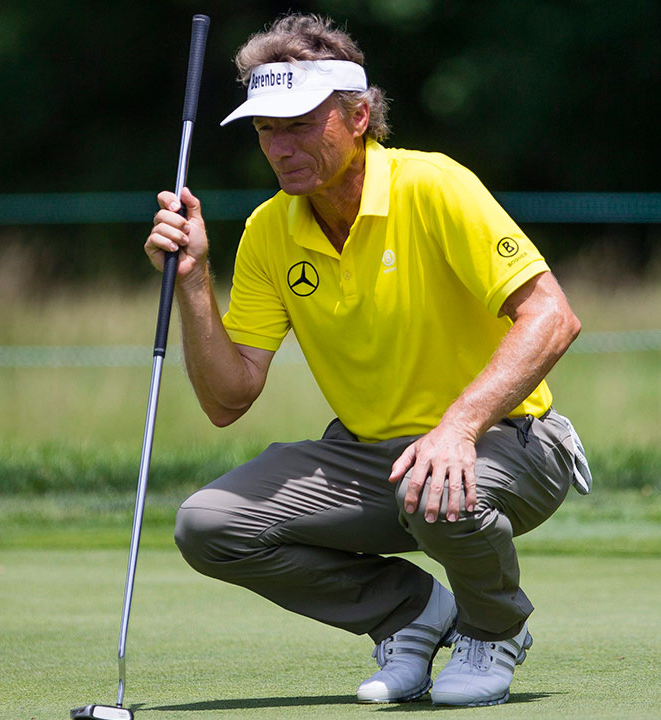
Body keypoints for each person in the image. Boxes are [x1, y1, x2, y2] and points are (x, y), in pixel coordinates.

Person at [143, 13, 593, 708]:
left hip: (514, 444)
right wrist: (195, 280)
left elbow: (552, 317)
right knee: (209, 525)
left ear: (358, 117)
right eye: (267, 130)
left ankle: (493, 630)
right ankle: (411, 615)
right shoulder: (269, 230)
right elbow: (227, 398)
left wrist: (458, 428)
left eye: (300, 124)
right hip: (372, 458)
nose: (281, 147)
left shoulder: (432, 184)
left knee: (440, 485)